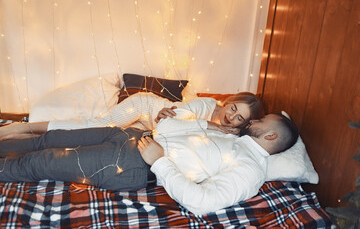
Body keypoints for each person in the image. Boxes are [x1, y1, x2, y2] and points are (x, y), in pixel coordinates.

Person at [0, 112, 298, 215]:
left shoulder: (250, 170)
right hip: (131, 136)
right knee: (49, 139)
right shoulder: (233, 139)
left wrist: (160, 162)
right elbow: (171, 132)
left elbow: (202, 201)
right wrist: (209, 126)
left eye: (259, 121)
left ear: (270, 135)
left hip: (131, 163)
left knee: (40, 163)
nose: (252, 121)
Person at [0, 91, 263, 140]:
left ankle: (19, 137)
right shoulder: (208, 106)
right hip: (144, 107)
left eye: (240, 118)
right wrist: (210, 125)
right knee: (98, 125)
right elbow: (170, 121)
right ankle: (18, 128)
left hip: (146, 127)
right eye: (233, 108)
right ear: (228, 101)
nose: (232, 117)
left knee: (104, 135)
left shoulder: (233, 132)